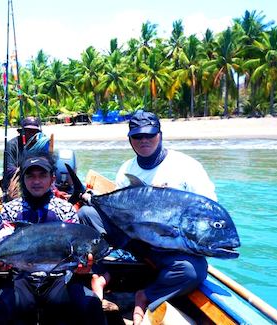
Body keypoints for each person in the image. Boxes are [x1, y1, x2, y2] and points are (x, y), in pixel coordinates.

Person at [78, 110, 214, 324]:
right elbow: (118, 212)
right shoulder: (126, 170)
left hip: (170, 244)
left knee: (193, 272)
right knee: (86, 213)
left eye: (149, 135)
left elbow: (206, 211)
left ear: (160, 134)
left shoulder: (187, 167)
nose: (144, 140)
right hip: (134, 240)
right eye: (137, 136)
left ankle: (145, 295)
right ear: (130, 139)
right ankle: (101, 274)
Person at [0, 154, 106, 325]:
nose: (36, 181)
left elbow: (75, 255)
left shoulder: (65, 209)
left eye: (42, 175)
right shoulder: (10, 210)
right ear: (23, 179)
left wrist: (83, 269)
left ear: (53, 178)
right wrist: (1, 261)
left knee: (91, 306)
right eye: (30, 176)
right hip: (21, 277)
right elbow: (4, 245)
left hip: (59, 279)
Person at [1, 116, 47, 200]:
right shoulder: (12, 145)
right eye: (28, 131)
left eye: (34, 132)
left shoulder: (41, 145)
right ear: (22, 132)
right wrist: (28, 171)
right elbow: (9, 169)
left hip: (36, 179)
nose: (32, 134)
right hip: (17, 181)